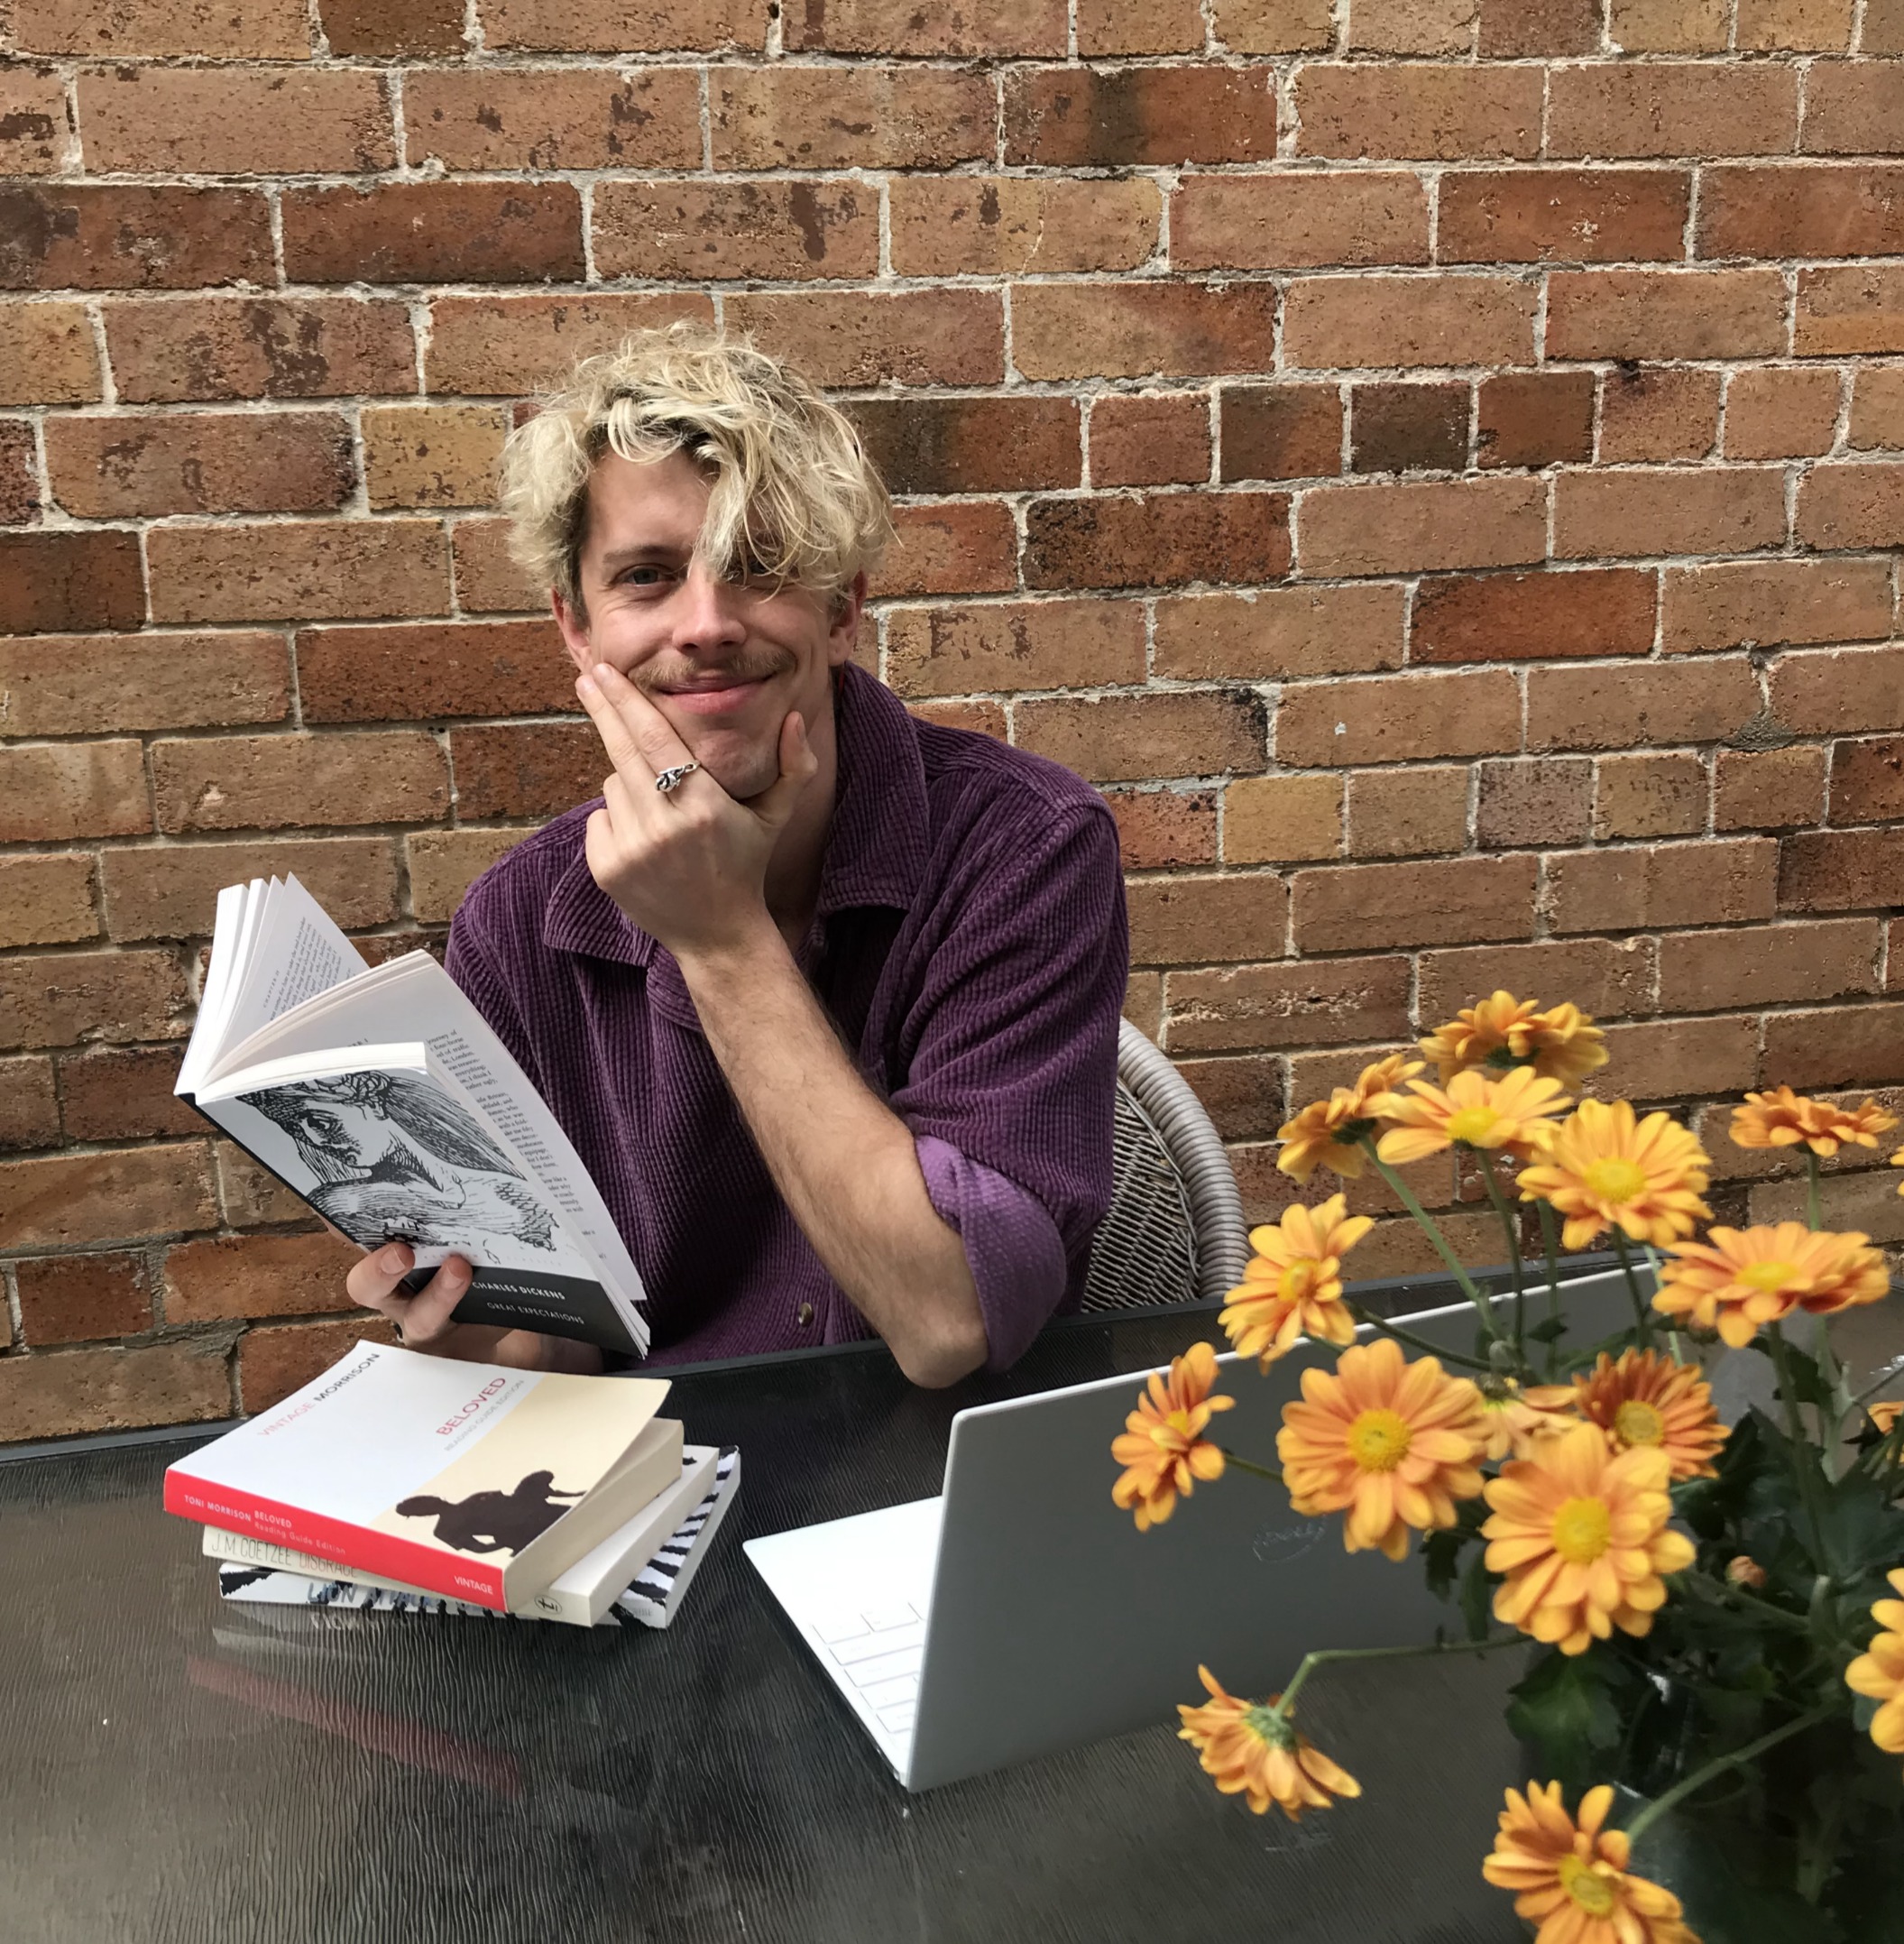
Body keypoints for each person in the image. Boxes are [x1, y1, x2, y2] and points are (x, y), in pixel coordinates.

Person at [345, 324, 1127, 1387]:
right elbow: (564, 1342)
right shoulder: (514, 922)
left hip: (925, 1461)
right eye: (647, 576)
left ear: (842, 608)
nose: (706, 624)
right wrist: (463, 1321)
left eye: (759, 567)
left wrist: (720, 939)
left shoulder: (1024, 846)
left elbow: (950, 1321)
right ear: (576, 626)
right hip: (646, 1466)